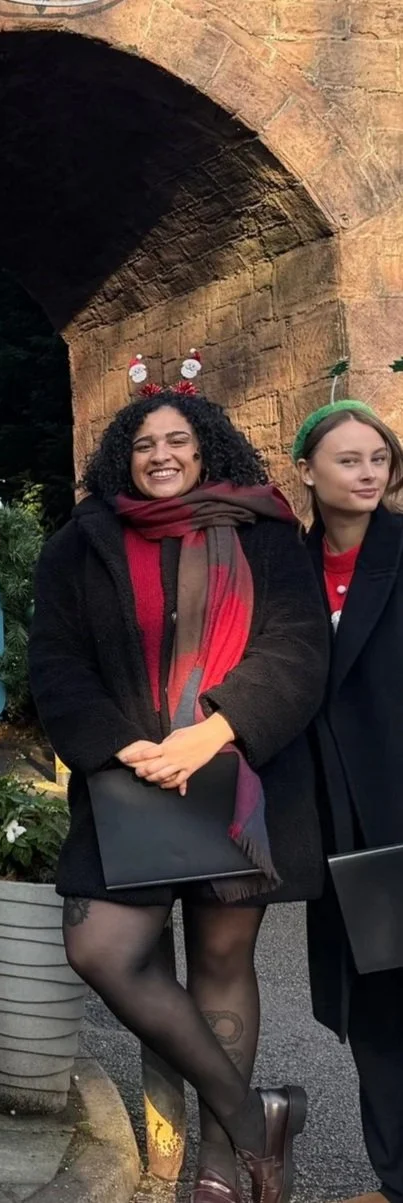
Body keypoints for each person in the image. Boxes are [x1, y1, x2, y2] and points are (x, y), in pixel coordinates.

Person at [28, 376, 329, 1203]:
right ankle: (251, 1113)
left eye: (175, 441)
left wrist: (215, 728)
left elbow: (298, 649)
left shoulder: (265, 531)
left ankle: (220, 1167)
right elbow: (54, 661)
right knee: (101, 949)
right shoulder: (79, 543)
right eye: (143, 445)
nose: (160, 456)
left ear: (205, 446)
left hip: (240, 777)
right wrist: (120, 745)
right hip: (130, 781)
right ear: (124, 459)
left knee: (222, 958)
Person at [294, 399, 403, 1203]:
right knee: (372, 1009)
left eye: (378, 458)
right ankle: (392, 1178)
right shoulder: (284, 570)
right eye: (347, 459)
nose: (367, 473)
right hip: (336, 826)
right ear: (306, 471)